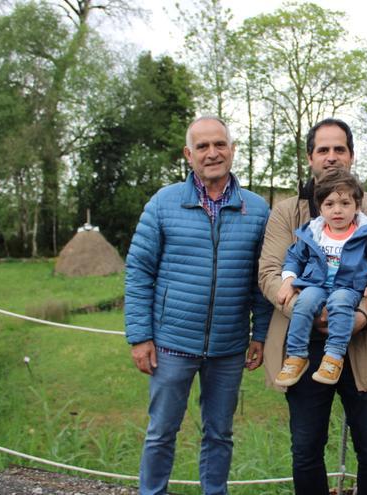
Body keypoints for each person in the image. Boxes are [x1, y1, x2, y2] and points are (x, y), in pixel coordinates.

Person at [124, 115, 272, 495]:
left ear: (232, 150)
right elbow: (139, 271)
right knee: (161, 432)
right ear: (188, 155)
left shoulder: (256, 210)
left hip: (228, 346)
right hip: (171, 343)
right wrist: (140, 336)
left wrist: (262, 334)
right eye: (202, 147)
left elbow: (264, 278)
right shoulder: (164, 203)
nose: (212, 153)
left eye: (219, 144)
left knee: (220, 434)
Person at [259, 118, 367, 495]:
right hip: (304, 343)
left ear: (351, 155)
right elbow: (271, 272)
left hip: (362, 342)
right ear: (310, 157)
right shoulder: (288, 212)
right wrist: (308, 310)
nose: (332, 157)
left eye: (340, 149)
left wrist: (359, 318)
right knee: (306, 449)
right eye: (323, 150)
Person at [275, 168, 367, 387]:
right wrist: (287, 281)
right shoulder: (313, 232)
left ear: (357, 206)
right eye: (329, 204)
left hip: (348, 287)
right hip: (316, 284)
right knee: (304, 302)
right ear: (320, 208)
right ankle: (296, 356)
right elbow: (294, 256)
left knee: (340, 302)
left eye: (344, 203)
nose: (337, 210)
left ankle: (333, 357)